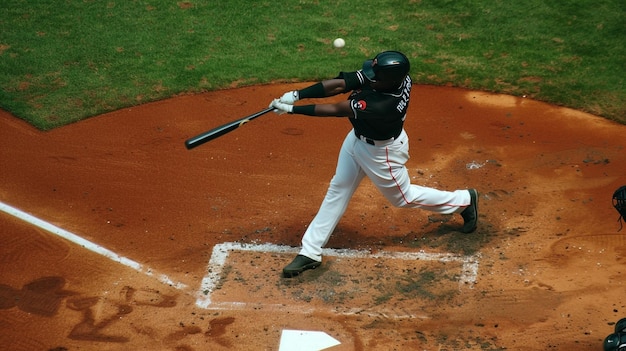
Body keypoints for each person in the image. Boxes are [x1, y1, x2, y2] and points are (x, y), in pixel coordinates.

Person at [269, 50, 478, 278]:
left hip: (382, 152)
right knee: (338, 188)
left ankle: (464, 201)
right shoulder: (391, 79)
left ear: (387, 80)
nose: (370, 76)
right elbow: (342, 84)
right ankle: (310, 251)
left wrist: (291, 110)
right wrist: (297, 94)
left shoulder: (383, 104)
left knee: (403, 197)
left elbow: (337, 109)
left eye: (375, 75)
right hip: (356, 140)